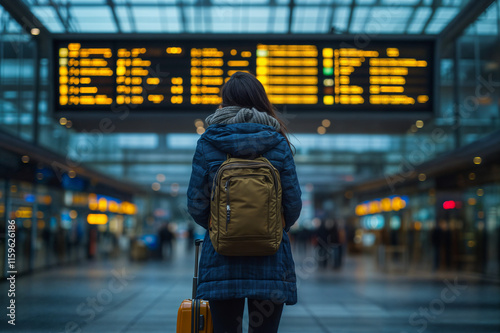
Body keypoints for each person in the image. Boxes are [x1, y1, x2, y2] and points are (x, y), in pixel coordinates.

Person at [187, 71, 302, 333]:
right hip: (271, 258)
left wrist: (222, 226)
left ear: (225, 101)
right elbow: (293, 204)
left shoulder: (208, 142)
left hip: (221, 257)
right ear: (261, 100)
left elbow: (196, 203)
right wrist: (270, 226)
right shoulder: (278, 142)